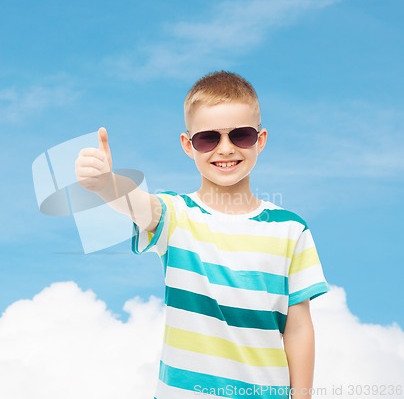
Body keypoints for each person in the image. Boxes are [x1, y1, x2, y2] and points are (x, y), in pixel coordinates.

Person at [75, 71, 329, 399]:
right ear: (187, 145)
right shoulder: (176, 215)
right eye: (208, 138)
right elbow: (140, 206)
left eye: (241, 135)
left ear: (261, 140)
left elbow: (298, 328)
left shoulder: (291, 230)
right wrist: (107, 185)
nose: (225, 149)